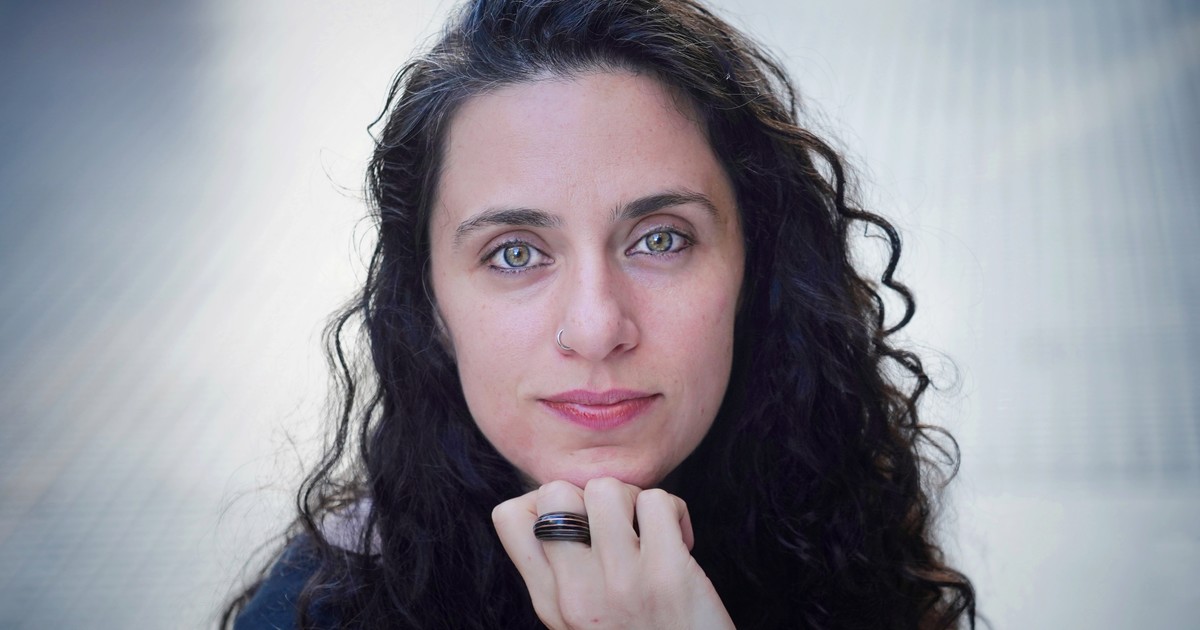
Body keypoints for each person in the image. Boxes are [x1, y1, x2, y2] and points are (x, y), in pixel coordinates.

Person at [223, 0, 976, 628]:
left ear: (756, 269)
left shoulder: (848, 543)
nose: (595, 328)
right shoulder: (320, 610)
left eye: (661, 240)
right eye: (514, 253)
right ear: (429, 305)